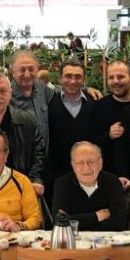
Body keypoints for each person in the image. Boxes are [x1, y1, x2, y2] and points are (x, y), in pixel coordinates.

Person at [46, 60, 96, 193]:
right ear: (60, 79)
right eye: (68, 76)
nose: (73, 81)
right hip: (56, 175)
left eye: (78, 77)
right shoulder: (49, 104)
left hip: (88, 173)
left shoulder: (94, 104)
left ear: (84, 80)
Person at [51, 142, 126, 231]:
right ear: (73, 165)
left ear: (100, 164)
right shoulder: (62, 183)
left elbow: (119, 223)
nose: (86, 168)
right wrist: (96, 216)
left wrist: (75, 221)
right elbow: (59, 222)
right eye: (80, 163)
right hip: (73, 239)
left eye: (91, 162)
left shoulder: (112, 181)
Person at [91, 60, 130, 174]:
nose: (116, 81)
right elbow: (92, 142)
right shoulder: (99, 107)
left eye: (121, 77)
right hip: (110, 176)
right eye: (111, 77)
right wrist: (109, 135)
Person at [9, 50, 54, 159]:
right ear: (13, 72)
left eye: (31, 69)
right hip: (18, 161)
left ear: (37, 70)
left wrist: (86, 90)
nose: (27, 74)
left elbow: (62, 93)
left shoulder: (41, 88)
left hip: (43, 160)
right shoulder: (6, 95)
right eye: (22, 70)